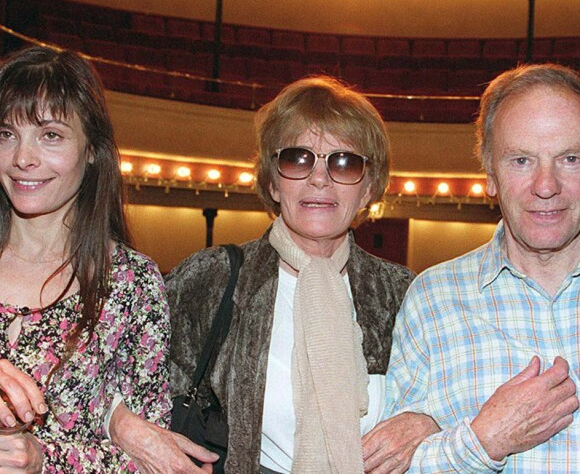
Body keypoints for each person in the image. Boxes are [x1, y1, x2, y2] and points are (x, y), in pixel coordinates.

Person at [155, 75, 439, 474]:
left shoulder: (405, 293)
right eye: (297, 158)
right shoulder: (211, 279)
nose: (318, 178)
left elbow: (452, 399)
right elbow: (135, 388)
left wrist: (429, 423)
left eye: (344, 161)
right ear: (272, 181)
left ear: (369, 187)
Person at [0, 45, 215, 472]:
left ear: (93, 150)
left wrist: (47, 461)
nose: (23, 158)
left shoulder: (131, 283)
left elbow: (149, 458)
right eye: (5, 134)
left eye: (51, 135)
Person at [369, 63, 580, 472]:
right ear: (490, 174)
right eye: (521, 160)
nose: (546, 185)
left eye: (570, 158)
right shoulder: (434, 299)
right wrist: (485, 442)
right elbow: (391, 466)